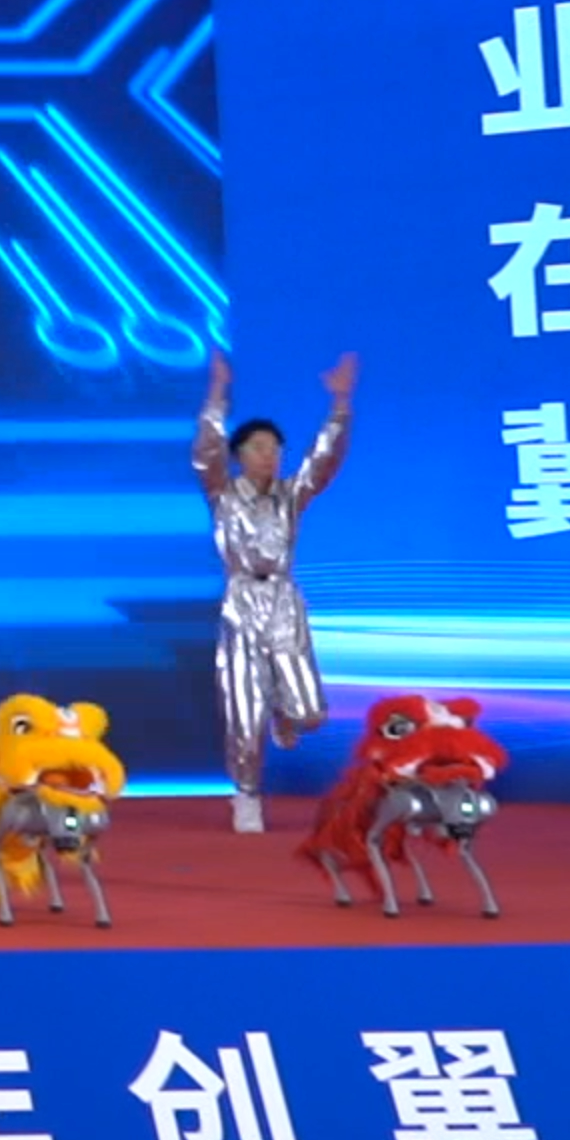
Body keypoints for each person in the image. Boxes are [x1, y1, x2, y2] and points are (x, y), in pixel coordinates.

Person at [194, 351, 355, 833]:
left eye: (276, 448)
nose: (270, 455)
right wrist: (217, 393)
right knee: (244, 710)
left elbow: (323, 463)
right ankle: (246, 796)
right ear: (240, 454)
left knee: (311, 714)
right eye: (260, 447)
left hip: (283, 602)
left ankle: (287, 711)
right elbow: (206, 452)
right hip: (241, 603)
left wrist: (340, 404)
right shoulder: (223, 494)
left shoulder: (290, 496)